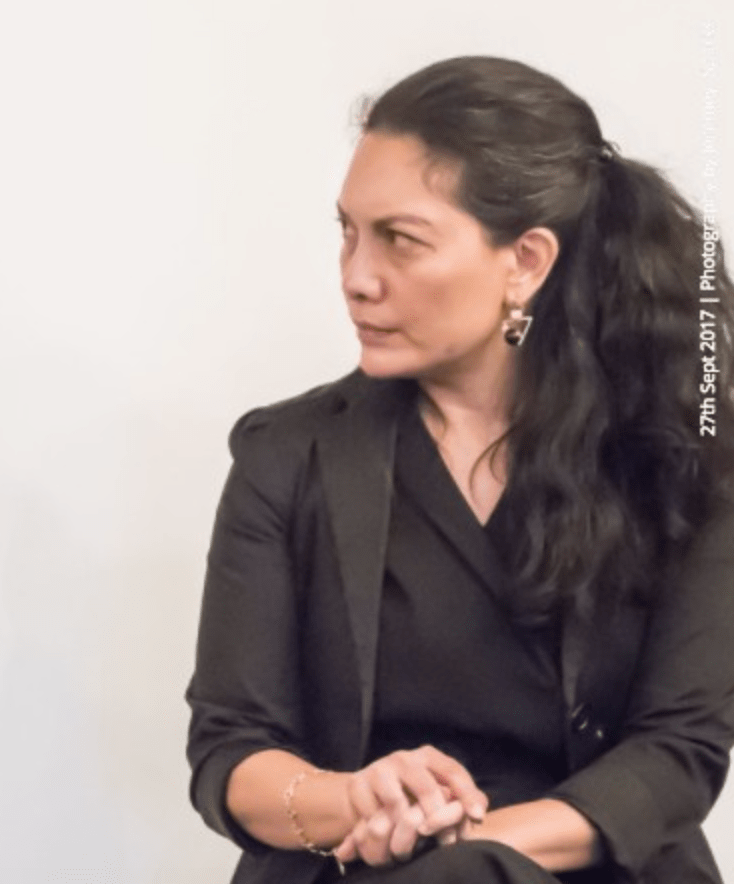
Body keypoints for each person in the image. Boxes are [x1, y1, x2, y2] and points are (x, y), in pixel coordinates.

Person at [185, 56, 734, 883]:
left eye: (400, 240)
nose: (356, 278)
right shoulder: (286, 456)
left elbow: (677, 755)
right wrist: (353, 801)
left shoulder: (680, 458)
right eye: (347, 232)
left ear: (526, 262)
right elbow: (230, 752)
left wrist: (463, 850)